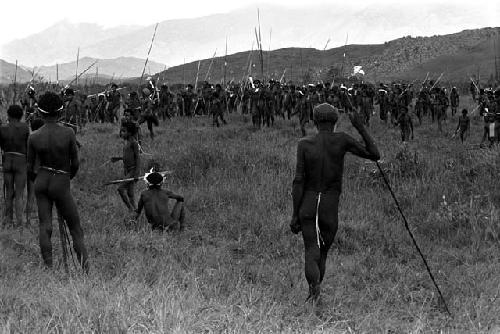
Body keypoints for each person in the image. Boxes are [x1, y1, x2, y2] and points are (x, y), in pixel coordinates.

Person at [290, 103, 380, 304]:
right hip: (329, 206)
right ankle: (315, 295)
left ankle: (314, 294)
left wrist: (295, 214)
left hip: (308, 204)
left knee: (310, 250)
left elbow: (298, 181)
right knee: (322, 253)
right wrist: (360, 127)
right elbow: (375, 154)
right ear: (335, 121)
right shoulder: (342, 140)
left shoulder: (304, 144)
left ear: (314, 121)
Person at [27, 92, 88, 271]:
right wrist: (66, 178)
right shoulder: (68, 133)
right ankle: (86, 270)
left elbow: (30, 168)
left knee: (45, 225)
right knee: (75, 228)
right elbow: (75, 163)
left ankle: (49, 269)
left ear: (40, 112)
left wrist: (38, 180)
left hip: (42, 180)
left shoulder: (34, 137)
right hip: (60, 180)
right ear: (61, 112)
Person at [0, 105, 30, 228]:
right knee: (19, 194)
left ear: (8, 115)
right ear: (20, 115)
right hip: (21, 161)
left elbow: (1, 146)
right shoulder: (25, 127)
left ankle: (8, 220)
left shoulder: (2, 128)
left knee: (9, 192)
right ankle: (19, 223)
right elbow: (29, 146)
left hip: (7, 160)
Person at [112, 122, 141, 212]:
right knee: (130, 193)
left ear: (130, 133)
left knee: (120, 189)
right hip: (127, 170)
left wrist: (136, 173)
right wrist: (119, 158)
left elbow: (138, 158)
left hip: (132, 171)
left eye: (124, 131)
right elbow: (128, 156)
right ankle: (136, 211)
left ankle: (130, 209)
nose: (121, 133)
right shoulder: (126, 143)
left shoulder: (134, 143)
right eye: (121, 131)